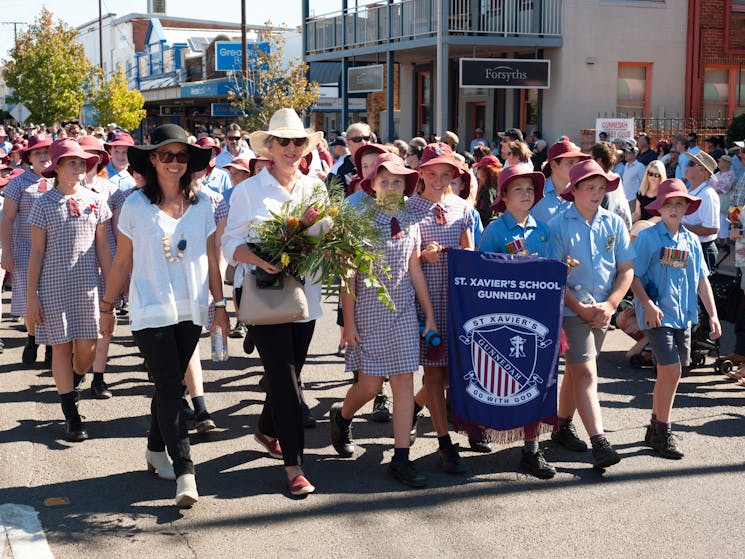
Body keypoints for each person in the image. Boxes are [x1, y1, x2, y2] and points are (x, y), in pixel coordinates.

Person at [99, 124, 228, 508]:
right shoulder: (135, 205)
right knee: (173, 387)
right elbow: (122, 261)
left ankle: (156, 449)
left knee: (167, 386)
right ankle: (186, 471)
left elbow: (211, 258)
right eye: (166, 155)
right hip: (149, 307)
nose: (175, 163)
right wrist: (106, 309)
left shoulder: (204, 202)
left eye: (181, 156)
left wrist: (220, 306)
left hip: (191, 308)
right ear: (152, 159)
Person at [222, 108, 324, 496]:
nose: (292, 148)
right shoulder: (248, 190)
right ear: (270, 147)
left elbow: (322, 238)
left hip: (306, 297)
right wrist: (261, 259)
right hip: (264, 296)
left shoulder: (315, 186)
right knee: (285, 381)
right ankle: (294, 466)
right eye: (284, 141)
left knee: (290, 373)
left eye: (299, 141)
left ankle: (266, 429)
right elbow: (230, 243)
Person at [330, 152, 436, 488]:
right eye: (384, 181)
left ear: (406, 185)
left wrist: (429, 316)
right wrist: (348, 324)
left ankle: (401, 457)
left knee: (404, 381)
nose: (391, 187)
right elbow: (347, 276)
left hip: (404, 311)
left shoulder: (411, 219)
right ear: (372, 185)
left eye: (397, 181)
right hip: (368, 313)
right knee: (370, 386)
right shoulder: (359, 220)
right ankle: (341, 415)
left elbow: (414, 268)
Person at [548, 159, 634, 470]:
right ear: (575, 190)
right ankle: (599, 441)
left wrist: (610, 305)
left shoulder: (613, 223)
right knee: (585, 372)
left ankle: (561, 425)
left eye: (602, 187)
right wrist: (581, 308)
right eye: (590, 187)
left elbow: (626, 270)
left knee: (575, 371)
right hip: (572, 310)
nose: (597, 193)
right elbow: (555, 276)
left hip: (603, 312)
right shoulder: (558, 225)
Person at [27, 139, 113, 441]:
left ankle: (73, 382)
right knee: (61, 348)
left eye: (82, 162)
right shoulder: (43, 203)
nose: (79, 167)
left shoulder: (96, 200)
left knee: (87, 351)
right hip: (53, 286)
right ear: (57, 168)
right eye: (72, 162)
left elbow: (104, 246)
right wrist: (31, 296)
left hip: (89, 285)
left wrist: (111, 290)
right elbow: (36, 252)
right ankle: (71, 415)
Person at [631, 178, 721, 458]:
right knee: (671, 371)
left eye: (679, 204)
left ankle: (654, 426)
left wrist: (713, 315)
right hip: (657, 314)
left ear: (686, 208)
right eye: (668, 204)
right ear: (659, 207)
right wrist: (646, 305)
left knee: (669, 374)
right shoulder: (648, 237)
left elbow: (701, 280)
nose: (673, 209)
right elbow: (633, 277)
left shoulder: (692, 240)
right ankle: (663, 431)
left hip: (684, 317)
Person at [477, 165, 557, 478]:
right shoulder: (494, 231)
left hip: (537, 317)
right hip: (502, 320)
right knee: (504, 383)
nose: (526, 194)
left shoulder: (542, 229)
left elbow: (549, 269)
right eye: (518, 189)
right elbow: (481, 274)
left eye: (530, 189)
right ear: (504, 197)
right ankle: (482, 428)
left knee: (536, 382)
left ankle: (531, 449)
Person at [408, 142, 474, 474]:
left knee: (450, 376)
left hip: (457, 302)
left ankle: (415, 406)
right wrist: (423, 256)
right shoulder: (409, 209)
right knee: (434, 373)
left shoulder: (462, 208)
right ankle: (445, 443)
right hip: (425, 302)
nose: (438, 179)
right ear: (421, 173)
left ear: (454, 175)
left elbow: (470, 250)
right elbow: (406, 259)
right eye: (432, 173)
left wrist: (464, 249)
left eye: (445, 174)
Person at [0, 133, 54, 365]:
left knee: (53, 299)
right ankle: (32, 338)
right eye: (38, 152)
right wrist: (7, 251)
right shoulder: (18, 183)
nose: (43, 156)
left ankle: (53, 345)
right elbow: (7, 218)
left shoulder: (61, 180)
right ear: (29, 157)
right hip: (24, 249)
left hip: (54, 251)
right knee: (28, 299)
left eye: (46, 151)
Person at [79, 135, 120, 399]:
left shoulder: (110, 189)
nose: (88, 161)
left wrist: (120, 270)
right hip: (78, 266)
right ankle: (78, 368)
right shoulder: (63, 188)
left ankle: (99, 376)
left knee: (106, 322)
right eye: (84, 155)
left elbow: (117, 231)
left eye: (94, 155)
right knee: (81, 323)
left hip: (106, 264)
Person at [531, 138, 590, 224]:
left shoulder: (580, 194)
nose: (575, 167)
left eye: (577, 163)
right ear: (553, 165)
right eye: (570, 163)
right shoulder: (535, 192)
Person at [682, 150, 720, 271]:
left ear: (702, 169)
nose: (686, 166)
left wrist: (680, 227)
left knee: (700, 287)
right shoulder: (690, 191)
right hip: (687, 246)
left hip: (701, 249)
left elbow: (713, 229)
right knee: (681, 282)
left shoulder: (708, 194)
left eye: (691, 163)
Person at [194, 137, 234, 206]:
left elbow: (228, 201)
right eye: (205, 152)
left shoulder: (222, 175)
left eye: (213, 153)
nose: (210, 156)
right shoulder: (190, 174)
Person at [472, 154, 502, 225]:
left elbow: (488, 212)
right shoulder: (497, 187)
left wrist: (473, 211)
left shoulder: (487, 190)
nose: (477, 171)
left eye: (479, 168)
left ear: (485, 171)